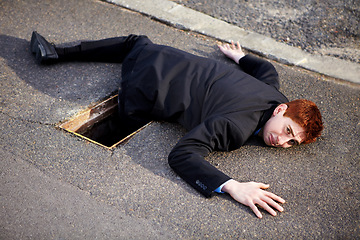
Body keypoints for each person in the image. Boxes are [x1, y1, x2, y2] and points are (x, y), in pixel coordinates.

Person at [30, 32, 323, 218]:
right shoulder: (235, 127)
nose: (282, 142)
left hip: (162, 54)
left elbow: (266, 69)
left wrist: (240, 56)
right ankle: (58, 56)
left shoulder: (273, 92)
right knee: (130, 114)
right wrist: (232, 186)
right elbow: (182, 154)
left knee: (136, 42)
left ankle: (58, 51)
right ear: (282, 110)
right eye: (287, 131)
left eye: (291, 142)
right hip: (142, 87)